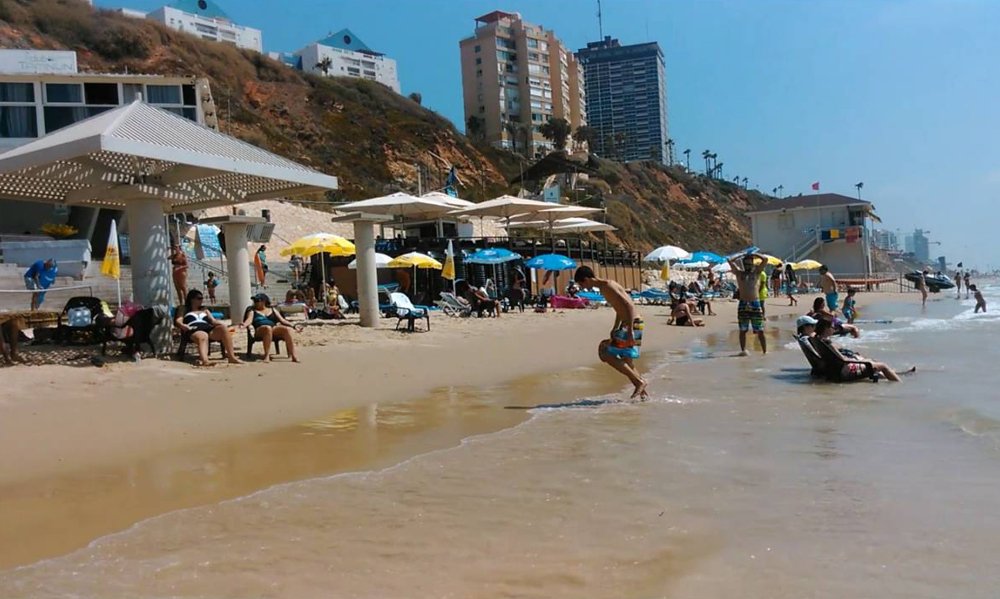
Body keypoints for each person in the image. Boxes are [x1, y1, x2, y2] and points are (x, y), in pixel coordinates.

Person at [574, 266, 648, 399]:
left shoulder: (608, 286)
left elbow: (629, 305)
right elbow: (620, 308)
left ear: (586, 279)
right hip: (631, 323)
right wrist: (615, 327)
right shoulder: (604, 287)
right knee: (627, 360)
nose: (583, 288)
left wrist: (630, 330)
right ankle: (643, 395)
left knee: (605, 352)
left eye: (581, 284)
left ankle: (639, 382)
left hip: (632, 324)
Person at [814, 318, 906, 382]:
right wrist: (860, 360)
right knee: (883, 365)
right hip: (844, 371)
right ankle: (899, 384)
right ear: (826, 328)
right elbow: (843, 359)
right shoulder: (827, 342)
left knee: (872, 362)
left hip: (835, 370)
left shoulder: (818, 340)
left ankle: (894, 374)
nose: (834, 329)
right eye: (832, 327)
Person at [175, 289, 242, 366]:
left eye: (202, 298)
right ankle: (205, 360)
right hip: (194, 329)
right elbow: (178, 320)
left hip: (208, 328)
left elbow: (213, 321)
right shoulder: (184, 309)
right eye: (199, 298)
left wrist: (224, 325)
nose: (201, 300)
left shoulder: (204, 309)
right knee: (203, 335)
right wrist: (183, 325)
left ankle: (231, 357)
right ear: (192, 299)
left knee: (224, 329)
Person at [727, 252, 768, 356]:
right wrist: (741, 254)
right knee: (743, 330)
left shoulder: (757, 273)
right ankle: (743, 350)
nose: (748, 266)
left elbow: (765, 259)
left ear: (753, 264)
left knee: (760, 330)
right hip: (743, 303)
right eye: (746, 264)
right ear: (743, 264)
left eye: (750, 264)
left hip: (755, 303)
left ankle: (765, 352)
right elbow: (729, 260)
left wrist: (754, 253)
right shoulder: (739, 273)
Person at [242, 293, 302, 363]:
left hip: (272, 329)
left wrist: (294, 326)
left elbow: (282, 320)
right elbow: (249, 320)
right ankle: (266, 355)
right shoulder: (252, 310)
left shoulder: (272, 309)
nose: (255, 302)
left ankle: (293, 356)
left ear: (264, 301)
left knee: (286, 329)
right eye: (254, 301)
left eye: (257, 301)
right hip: (259, 330)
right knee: (267, 328)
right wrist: (243, 325)